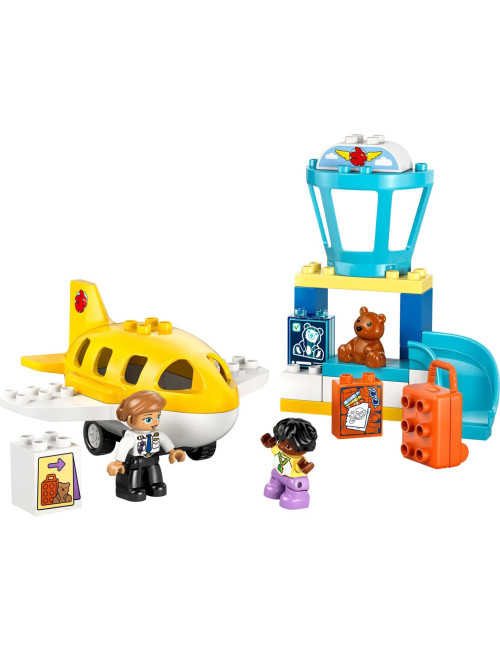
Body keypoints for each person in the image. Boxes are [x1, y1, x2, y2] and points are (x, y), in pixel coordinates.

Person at [107, 390, 186, 502]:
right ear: (130, 419)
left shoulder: (157, 433)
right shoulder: (131, 437)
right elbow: (123, 447)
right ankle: (132, 489)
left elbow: (165, 441)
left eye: (158, 416)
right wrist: (118, 462)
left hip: (152, 459)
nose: (155, 422)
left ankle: (155, 484)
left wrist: (173, 452)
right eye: (148, 419)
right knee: (134, 475)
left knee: (154, 473)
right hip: (135, 462)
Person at [261, 417, 317, 510]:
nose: (282, 447)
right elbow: (274, 449)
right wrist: (270, 443)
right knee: (273, 485)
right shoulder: (280, 451)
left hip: (293, 479)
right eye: (280, 441)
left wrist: (305, 468)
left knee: (294, 489)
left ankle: (296, 498)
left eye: (288, 446)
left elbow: (300, 468)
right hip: (277, 474)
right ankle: (275, 488)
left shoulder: (298, 460)